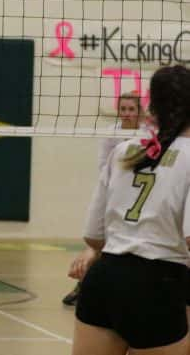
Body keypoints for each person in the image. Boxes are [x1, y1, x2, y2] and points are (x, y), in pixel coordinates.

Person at [68, 65, 190, 355]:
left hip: (104, 281)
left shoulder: (124, 151)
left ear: (151, 107)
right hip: (158, 284)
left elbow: (94, 237)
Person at [63, 92, 144, 306]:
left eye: (131, 109)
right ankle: (83, 286)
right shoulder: (111, 133)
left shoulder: (146, 134)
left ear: (139, 112)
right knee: (102, 243)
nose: (126, 114)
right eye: (123, 109)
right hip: (114, 194)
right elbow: (103, 166)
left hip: (139, 196)